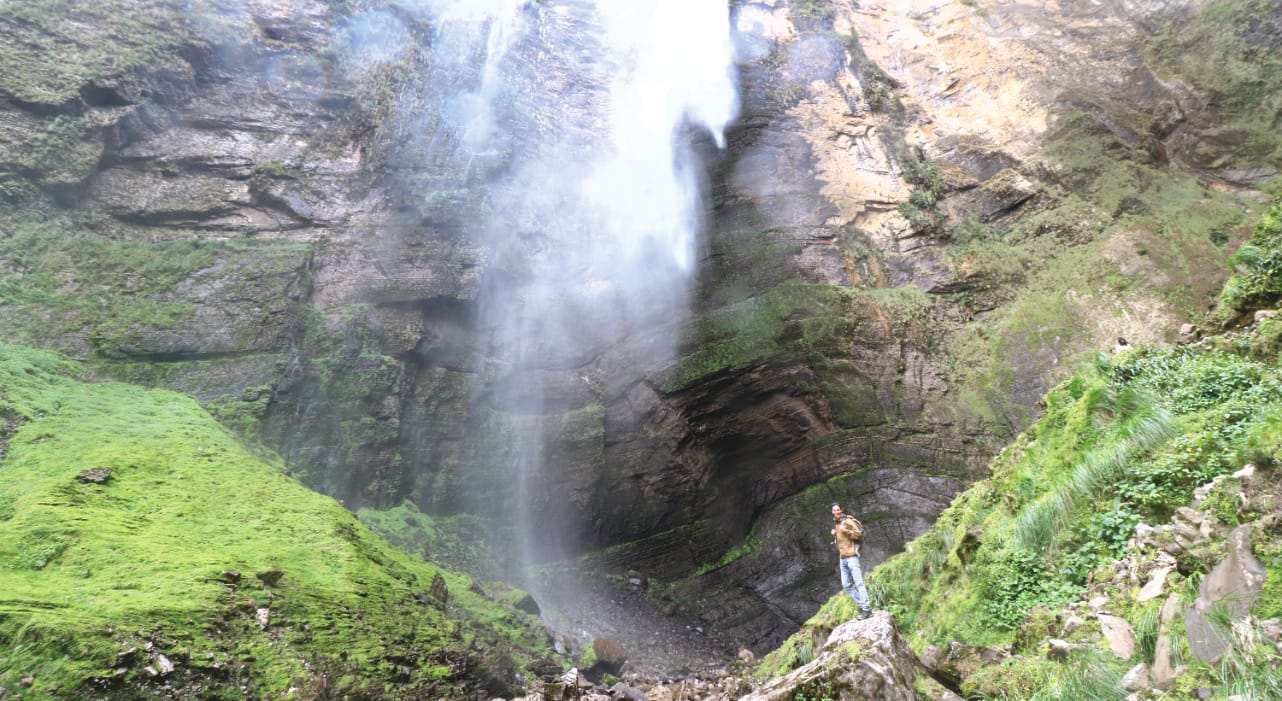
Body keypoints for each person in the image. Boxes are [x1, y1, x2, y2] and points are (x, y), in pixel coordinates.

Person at [831, 503, 872, 620]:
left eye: (838, 510)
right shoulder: (837, 523)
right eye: (834, 510)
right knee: (847, 585)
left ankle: (866, 609)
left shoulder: (847, 521)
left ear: (841, 510)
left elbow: (858, 535)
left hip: (852, 557)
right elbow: (843, 540)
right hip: (842, 558)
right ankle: (863, 606)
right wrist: (835, 534)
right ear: (832, 512)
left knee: (859, 583)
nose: (836, 512)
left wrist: (846, 531)